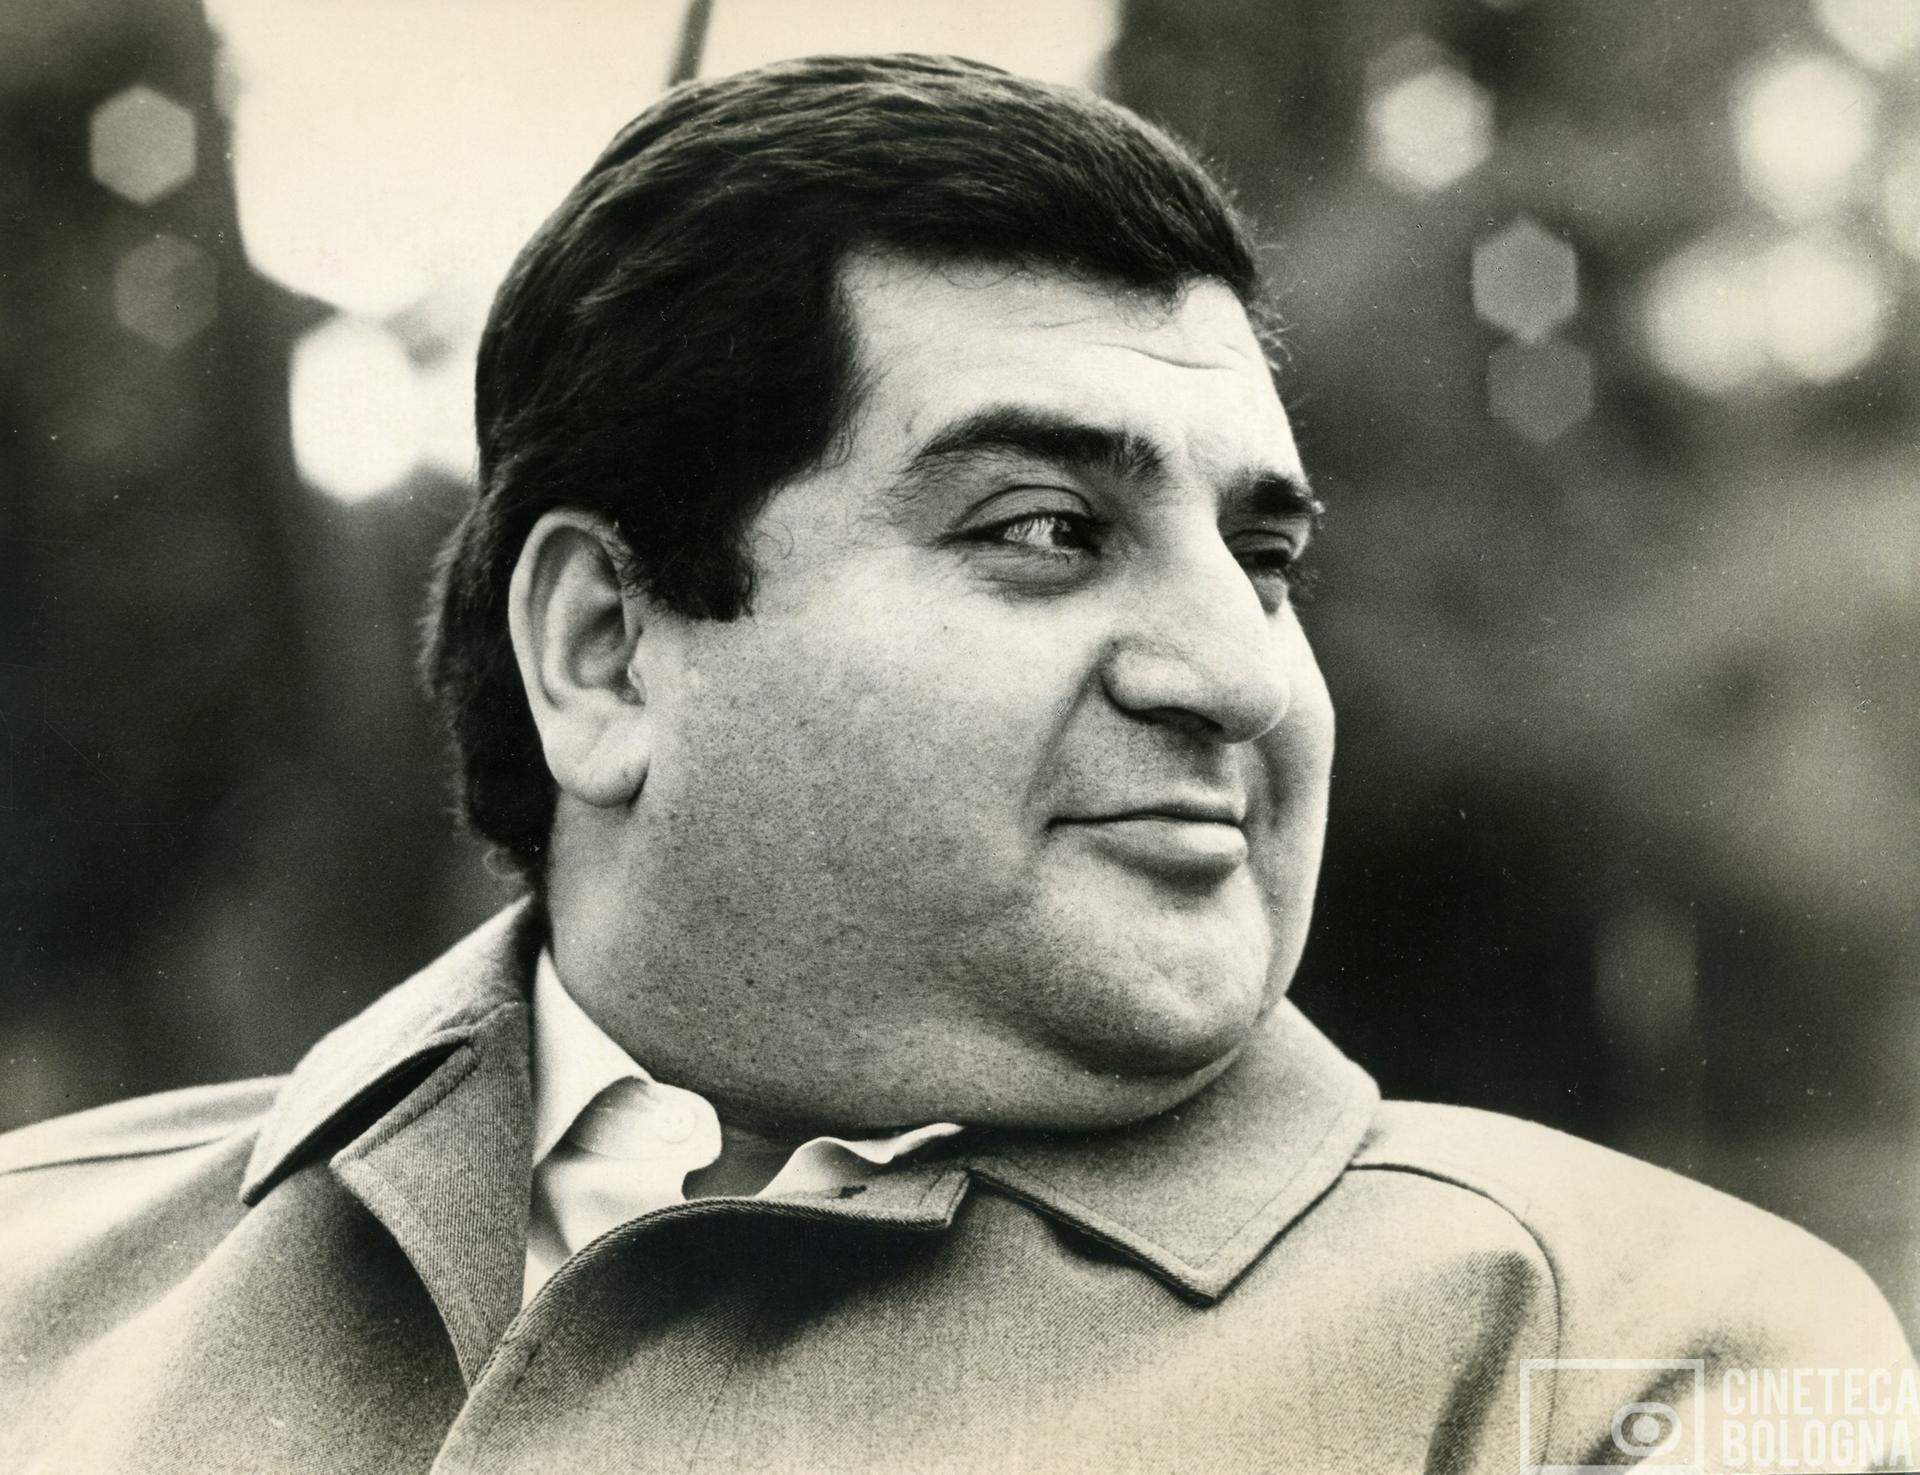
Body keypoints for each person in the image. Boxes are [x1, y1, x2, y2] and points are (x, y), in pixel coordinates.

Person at [0, 53, 1909, 1475]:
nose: (1241, 678)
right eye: (1046, 531)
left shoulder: (1640, 1364)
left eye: (1264, 559)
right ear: (604, 651)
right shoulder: (30, 1275)